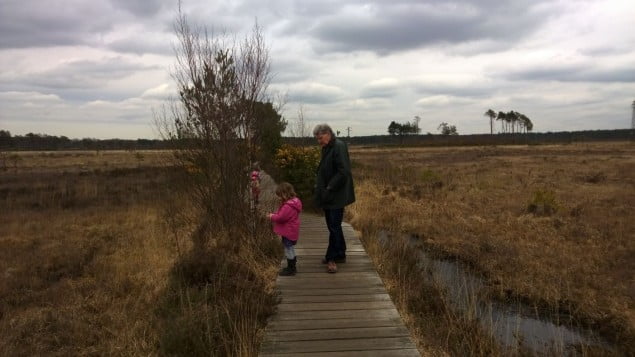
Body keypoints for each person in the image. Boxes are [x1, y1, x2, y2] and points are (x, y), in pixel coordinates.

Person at [313, 124, 355, 274]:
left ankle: (331, 258)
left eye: (320, 138)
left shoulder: (338, 146)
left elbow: (344, 172)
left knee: (334, 226)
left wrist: (329, 187)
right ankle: (341, 254)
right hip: (329, 194)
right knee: (334, 226)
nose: (319, 141)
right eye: (317, 139)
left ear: (328, 134)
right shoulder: (327, 147)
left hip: (336, 195)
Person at [268, 182, 303, 276]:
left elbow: (281, 217)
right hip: (292, 230)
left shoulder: (288, 206)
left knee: (288, 248)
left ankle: (291, 269)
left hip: (288, 231)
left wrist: (271, 216)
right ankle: (292, 266)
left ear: (285, 194)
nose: (279, 198)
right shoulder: (294, 202)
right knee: (290, 248)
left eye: (280, 196)